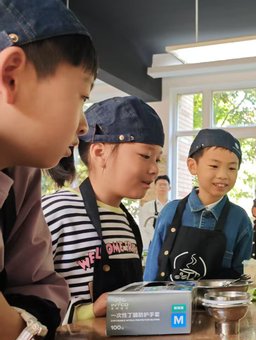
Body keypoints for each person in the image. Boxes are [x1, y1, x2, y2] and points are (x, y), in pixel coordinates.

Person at [0, 0, 96, 340]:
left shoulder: (20, 175)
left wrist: (12, 331)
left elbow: (45, 293)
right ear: (12, 77)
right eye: (81, 96)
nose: (84, 126)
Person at [42, 96, 164, 323]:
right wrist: (88, 311)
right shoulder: (58, 211)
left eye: (157, 159)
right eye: (145, 156)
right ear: (99, 153)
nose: (154, 169)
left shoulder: (126, 222)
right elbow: (21, 298)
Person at [144, 128, 252, 281]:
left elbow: (241, 278)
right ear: (192, 166)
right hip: (167, 297)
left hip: (219, 298)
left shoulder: (239, 219)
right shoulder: (170, 212)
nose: (223, 175)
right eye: (214, 166)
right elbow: (151, 271)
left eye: (232, 168)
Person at [138, 174, 170, 250]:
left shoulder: (174, 207)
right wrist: (158, 241)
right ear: (155, 187)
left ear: (169, 188)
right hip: (152, 245)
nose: (162, 187)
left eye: (165, 185)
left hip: (169, 244)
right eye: (160, 185)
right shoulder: (147, 207)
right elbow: (146, 227)